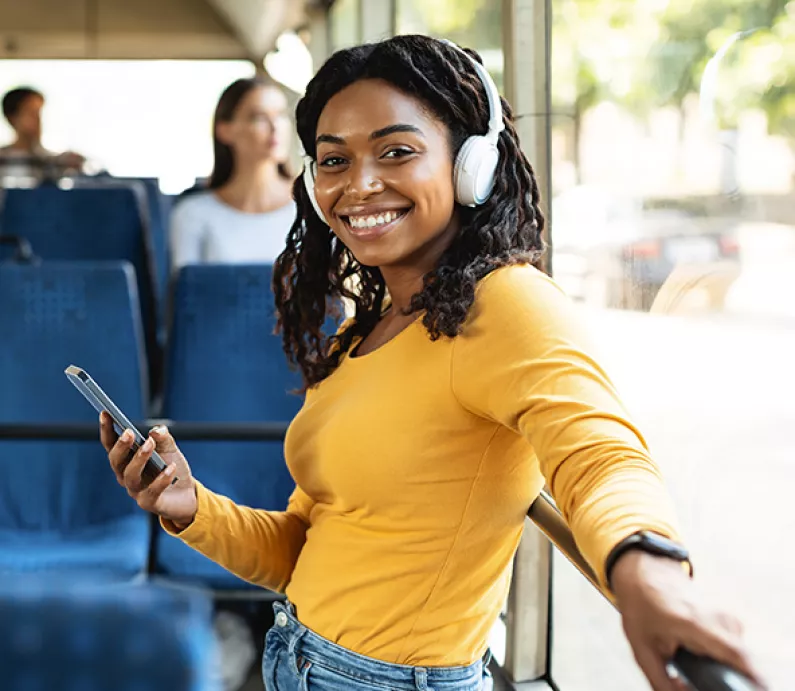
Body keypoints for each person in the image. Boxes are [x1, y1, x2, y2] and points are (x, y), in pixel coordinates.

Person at [100, 35, 766, 691]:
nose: (359, 184)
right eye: (334, 160)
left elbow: (600, 457)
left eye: (396, 151)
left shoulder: (506, 304)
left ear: (471, 164)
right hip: (301, 659)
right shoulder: (363, 332)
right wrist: (191, 505)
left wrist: (649, 575)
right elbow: (305, 549)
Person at [168, 77, 295, 273]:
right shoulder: (193, 214)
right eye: (258, 118)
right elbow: (187, 289)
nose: (275, 127)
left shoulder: (314, 206)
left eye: (280, 115)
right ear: (225, 130)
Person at [0, 87, 85, 181]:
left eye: (40, 114)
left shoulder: (55, 162)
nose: (38, 120)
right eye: (32, 114)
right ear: (12, 118)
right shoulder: (3, 159)